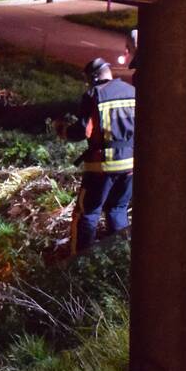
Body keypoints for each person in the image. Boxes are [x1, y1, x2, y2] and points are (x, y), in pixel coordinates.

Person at [55, 57, 136, 253]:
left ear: (93, 78)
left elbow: (83, 131)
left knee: (87, 213)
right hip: (130, 166)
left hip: (102, 166)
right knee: (118, 210)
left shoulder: (94, 94)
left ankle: (80, 261)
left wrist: (64, 131)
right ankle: (120, 255)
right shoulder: (132, 92)